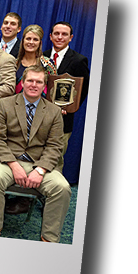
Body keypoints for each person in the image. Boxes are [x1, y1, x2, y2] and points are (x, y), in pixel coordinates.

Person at [0, 66, 71, 242]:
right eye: (30, 80)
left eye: (38, 82)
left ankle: (49, 239)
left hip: (39, 163)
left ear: (44, 86)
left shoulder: (54, 111)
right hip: (8, 160)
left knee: (62, 188)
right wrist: (14, 165)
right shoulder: (4, 104)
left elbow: (55, 146)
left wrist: (40, 170)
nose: (33, 85)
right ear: (22, 82)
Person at [43, 21, 90, 171]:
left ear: (71, 38)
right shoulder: (42, 57)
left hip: (63, 118)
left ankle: (52, 193)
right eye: (56, 33)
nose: (60, 37)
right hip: (40, 116)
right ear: (50, 36)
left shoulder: (78, 60)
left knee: (55, 158)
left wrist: (69, 108)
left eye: (64, 34)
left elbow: (83, 89)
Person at [14, 24, 56, 94]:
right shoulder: (14, 63)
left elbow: (53, 90)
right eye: (28, 39)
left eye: (35, 39)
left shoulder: (48, 64)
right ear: (23, 41)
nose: (31, 42)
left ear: (40, 43)